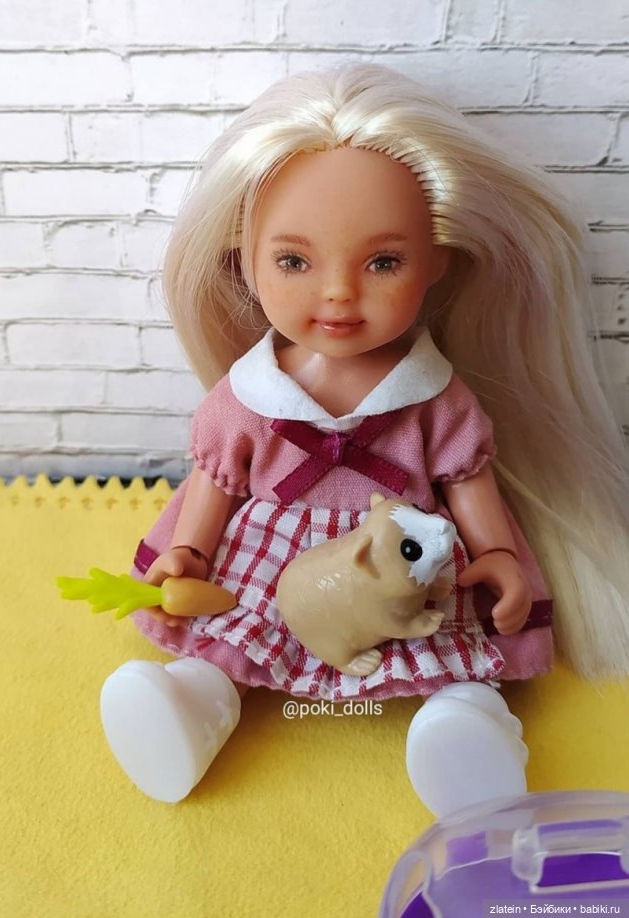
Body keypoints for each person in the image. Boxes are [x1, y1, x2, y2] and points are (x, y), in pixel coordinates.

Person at [98, 64, 629, 815]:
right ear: (243, 261)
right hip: (271, 555)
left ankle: (466, 729)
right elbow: (216, 482)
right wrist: (189, 550)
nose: (339, 292)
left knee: (454, 648)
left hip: (407, 561)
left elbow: (466, 481)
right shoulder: (247, 397)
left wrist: (498, 555)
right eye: (294, 261)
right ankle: (195, 704)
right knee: (236, 627)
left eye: (384, 262)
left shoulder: (436, 397)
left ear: (437, 261)